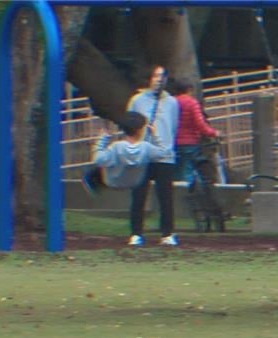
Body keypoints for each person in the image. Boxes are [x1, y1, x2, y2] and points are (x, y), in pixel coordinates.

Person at [126, 65, 180, 247]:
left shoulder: (172, 102)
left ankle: (167, 232)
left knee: (166, 196)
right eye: (156, 76)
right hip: (142, 154)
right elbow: (130, 123)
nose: (159, 80)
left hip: (164, 156)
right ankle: (136, 232)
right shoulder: (137, 100)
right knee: (138, 195)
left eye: (162, 76)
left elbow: (173, 126)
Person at [91, 112, 169, 210]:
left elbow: (98, 159)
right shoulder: (146, 147)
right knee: (150, 160)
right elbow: (163, 153)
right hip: (136, 182)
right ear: (140, 130)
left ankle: (93, 182)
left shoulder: (116, 147)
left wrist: (103, 139)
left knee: (105, 160)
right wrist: (155, 135)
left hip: (113, 181)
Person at [173, 78, 219, 197]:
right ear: (189, 90)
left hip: (174, 142)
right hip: (190, 141)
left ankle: (177, 195)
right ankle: (188, 198)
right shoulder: (192, 103)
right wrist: (213, 133)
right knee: (188, 169)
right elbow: (200, 124)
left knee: (178, 169)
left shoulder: (172, 102)